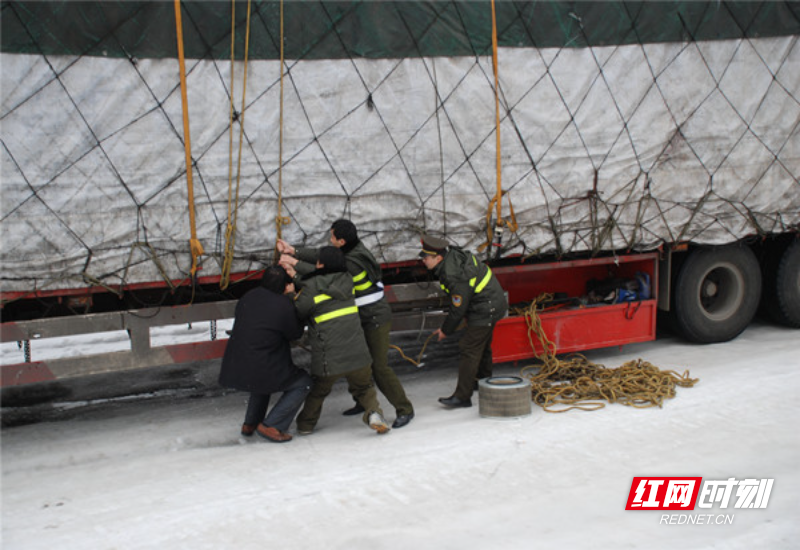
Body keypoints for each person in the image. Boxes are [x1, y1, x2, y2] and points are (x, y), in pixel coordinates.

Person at [277, 220, 415, 429]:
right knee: (355, 358)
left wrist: (293, 264)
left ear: (341, 241)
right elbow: (323, 258)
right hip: (364, 314)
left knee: (378, 367)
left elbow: (320, 274)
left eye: (333, 237)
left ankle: (404, 409)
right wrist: (294, 251)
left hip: (374, 317)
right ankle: (363, 403)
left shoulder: (349, 264)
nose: (331, 241)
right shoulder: (353, 248)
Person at [283, 246, 391, 435]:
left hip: (328, 357)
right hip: (358, 354)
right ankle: (374, 413)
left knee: (318, 391)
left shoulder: (311, 286)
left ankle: (305, 425)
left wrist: (292, 292)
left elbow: (301, 309)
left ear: (321, 265)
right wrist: (295, 272)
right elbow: (321, 280)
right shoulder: (347, 279)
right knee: (365, 388)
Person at [218, 265, 312, 443]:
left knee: (260, 380)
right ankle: (272, 425)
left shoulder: (249, 296)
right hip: (263, 363)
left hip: (237, 362)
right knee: (303, 382)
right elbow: (295, 334)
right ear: (285, 285)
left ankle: (250, 423)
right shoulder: (283, 304)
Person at [419, 234, 508, 408]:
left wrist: (446, 330)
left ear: (438, 258)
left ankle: (462, 397)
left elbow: (458, 308)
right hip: (489, 302)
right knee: (481, 345)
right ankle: (483, 382)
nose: (423, 261)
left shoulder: (453, 274)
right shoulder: (451, 256)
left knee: (469, 347)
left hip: (486, 307)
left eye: (426, 258)